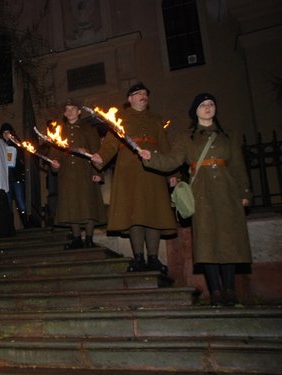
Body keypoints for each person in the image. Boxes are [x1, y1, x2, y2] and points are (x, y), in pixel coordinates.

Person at [139, 93, 252, 305]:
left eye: (211, 104)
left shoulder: (229, 135)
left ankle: (229, 289)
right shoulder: (186, 137)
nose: (208, 108)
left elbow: (237, 166)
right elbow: (172, 160)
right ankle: (216, 292)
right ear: (195, 111)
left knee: (229, 243)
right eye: (202, 105)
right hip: (201, 194)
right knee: (207, 243)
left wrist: (244, 193)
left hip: (227, 193)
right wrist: (151, 157)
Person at [91, 83, 177, 275]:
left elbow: (165, 148)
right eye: (138, 93)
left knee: (153, 214)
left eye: (145, 93)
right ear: (129, 99)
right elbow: (111, 145)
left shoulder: (156, 120)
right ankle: (138, 257)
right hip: (129, 172)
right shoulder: (120, 120)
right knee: (135, 215)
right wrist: (100, 158)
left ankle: (153, 258)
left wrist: (172, 174)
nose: (143, 96)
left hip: (154, 171)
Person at [49, 100, 106, 248]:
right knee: (71, 206)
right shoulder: (59, 132)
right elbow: (55, 154)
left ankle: (89, 239)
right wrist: (54, 163)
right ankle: (76, 239)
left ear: (79, 111)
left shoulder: (88, 129)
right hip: (67, 174)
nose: (69, 112)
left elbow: (97, 152)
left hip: (85, 173)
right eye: (67, 109)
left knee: (88, 206)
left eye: (72, 109)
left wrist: (97, 172)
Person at [1, 123, 31, 229]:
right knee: (8, 204)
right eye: (4, 133)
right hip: (5, 180)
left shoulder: (17, 145)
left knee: (20, 201)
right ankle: (10, 226)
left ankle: (26, 224)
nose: (6, 135)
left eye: (8, 132)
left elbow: (23, 158)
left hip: (16, 177)